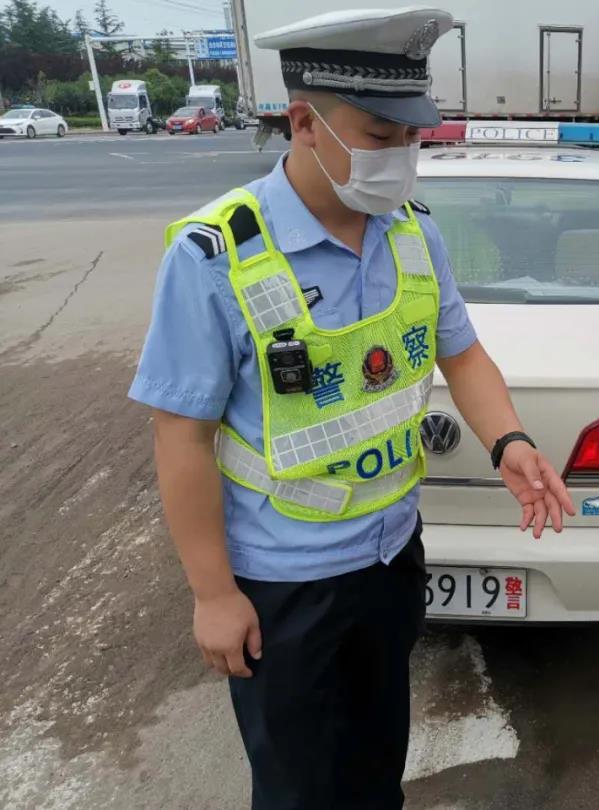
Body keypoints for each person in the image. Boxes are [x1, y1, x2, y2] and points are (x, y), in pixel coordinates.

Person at [128, 8, 574, 808]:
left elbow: (460, 352)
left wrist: (507, 438)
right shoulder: (215, 258)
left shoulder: (413, 235)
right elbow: (181, 435)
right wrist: (212, 594)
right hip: (281, 583)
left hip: (389, 559)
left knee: (375, 774)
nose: (403, 159)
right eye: (380, 137)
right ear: (305, 123)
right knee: (299, 789)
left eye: (414, 140)